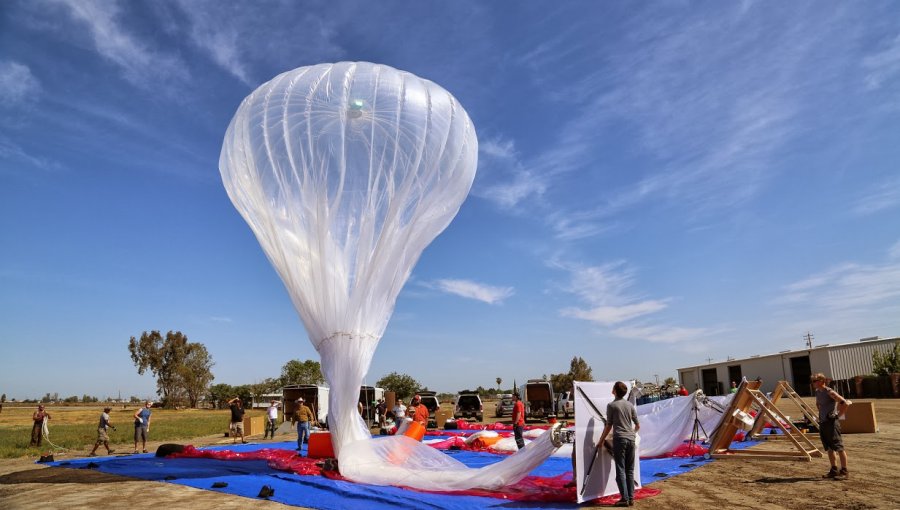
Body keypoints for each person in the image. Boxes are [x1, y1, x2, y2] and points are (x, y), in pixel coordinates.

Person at [597, 381, 641, 507]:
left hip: (620, 440)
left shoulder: (612, 406)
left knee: (620, 469)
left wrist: (601, 441)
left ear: (615, 391)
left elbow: (608, 425)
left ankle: (624, 499)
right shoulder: (630, 405)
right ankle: (631, 498)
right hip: (631, 440)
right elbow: (638, 425)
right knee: (630, 470)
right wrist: (631, 434)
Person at [812, 373, 852, 479]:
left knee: (839, 447)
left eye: (814, 380)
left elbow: (844, 403)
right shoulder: (817, 392)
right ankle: (834, 470)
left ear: (821, 381)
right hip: (824, 422)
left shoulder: (829, 392)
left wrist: (838, 416)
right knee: (829, 448)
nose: (813, 383)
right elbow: (818, 404)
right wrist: (821, 413)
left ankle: (844, 471)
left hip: (832, 423)